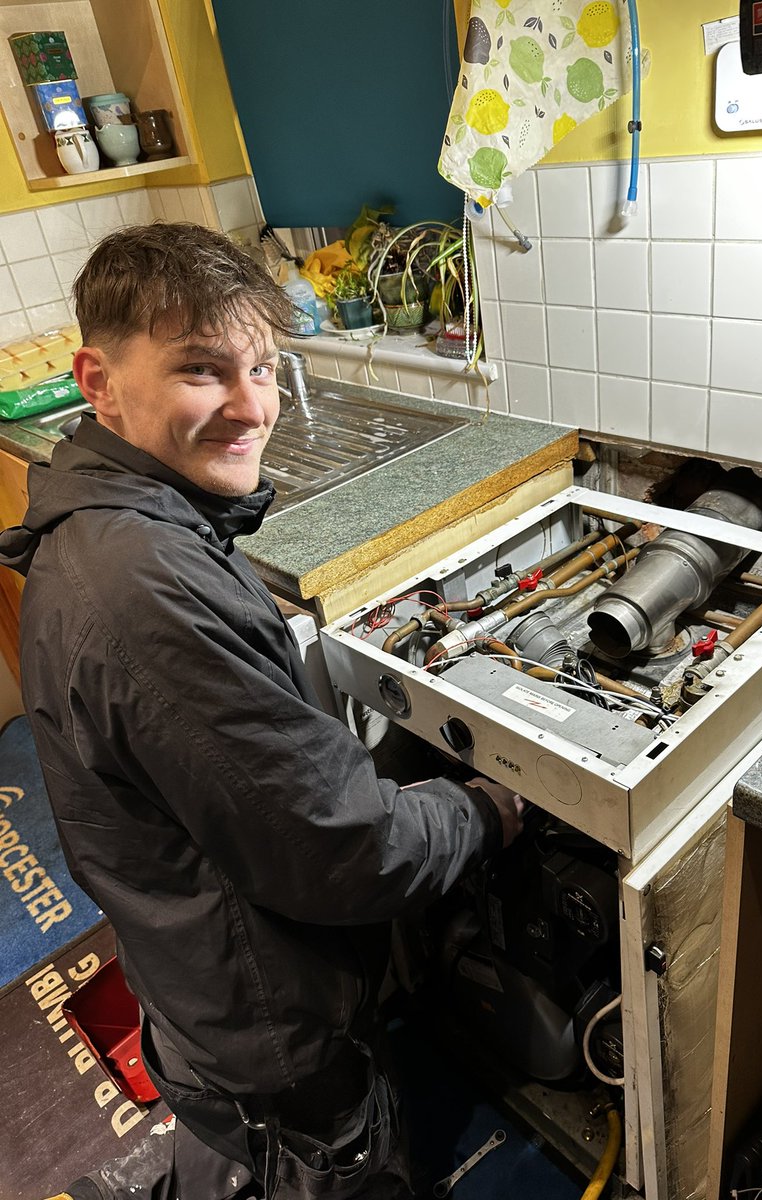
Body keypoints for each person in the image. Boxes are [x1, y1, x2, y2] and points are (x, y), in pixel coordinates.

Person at [0, 222, 523, 1200]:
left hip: (192, 975)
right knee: (323, 1155)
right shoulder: (141, 591)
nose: (252, 407)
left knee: (236, 1135)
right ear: (98, 380)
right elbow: (347, 850)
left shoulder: (110, 521)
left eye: (266, 369)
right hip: (269, 1026)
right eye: (203, 371)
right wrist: (484, 810)